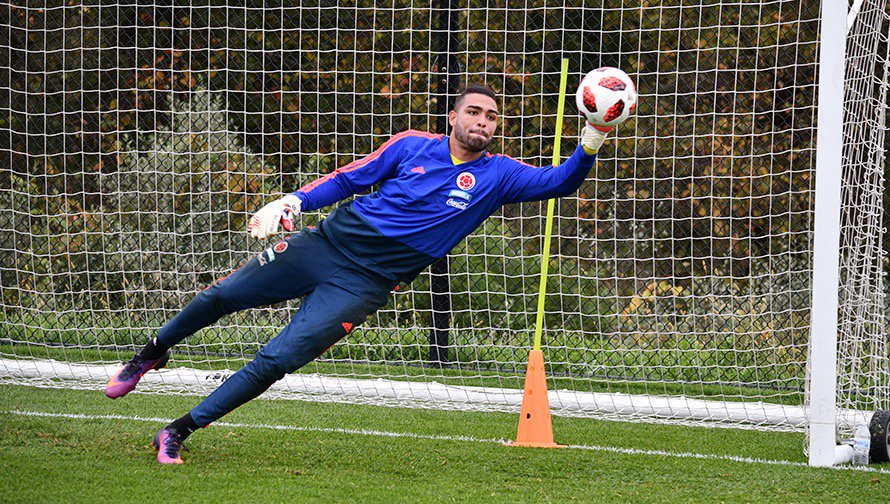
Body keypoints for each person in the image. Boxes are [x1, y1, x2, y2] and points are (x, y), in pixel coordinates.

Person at [104, 84, 611, 464]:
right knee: (222, 296)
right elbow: (351, 178)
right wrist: (294, 200)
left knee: (277, 359)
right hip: (323, 245)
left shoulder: (500, 175)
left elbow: (561, 182)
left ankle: (177, 431)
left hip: (364, 284)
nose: (483, 121)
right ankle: (152, 351)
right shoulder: (413, 144)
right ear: (452, 117)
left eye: (492, 117)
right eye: (474, 112)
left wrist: (592, 136)